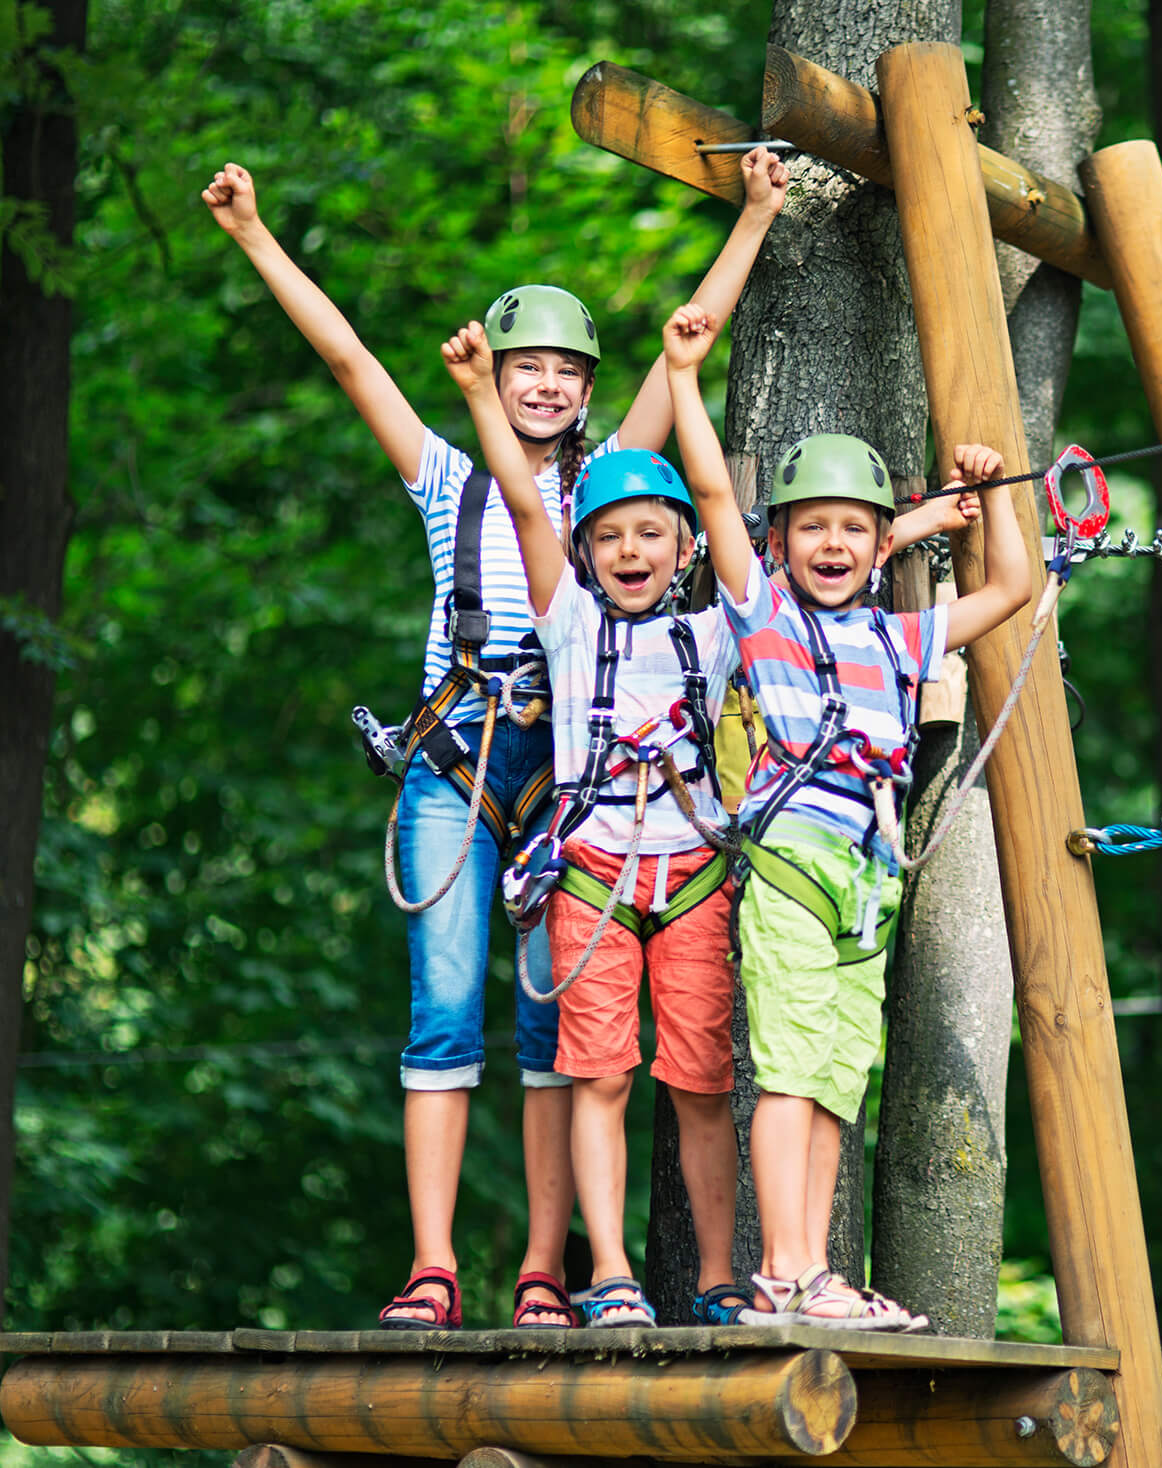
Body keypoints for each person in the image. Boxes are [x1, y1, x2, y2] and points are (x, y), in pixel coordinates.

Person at [200, 148, 788, 1329]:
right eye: (527, 367)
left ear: (584, 388)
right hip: (458, 765)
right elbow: (349, 359)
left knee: (552, 1035)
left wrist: (760, 216)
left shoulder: (620, 489)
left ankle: (541, 1266)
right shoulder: (449, 481)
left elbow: (692, 343)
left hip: (575, 780)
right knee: (442, 1007)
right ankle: (431, 1264)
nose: (545, 385)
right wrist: (255, 234)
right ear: (499, 374)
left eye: (566, 370)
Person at [677, 303, 1031, 1326]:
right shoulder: (762, 611)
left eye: (853, 529)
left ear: (882, 546)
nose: (832, 543)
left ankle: (814, 1272)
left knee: (836, 1079)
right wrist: (686, 372)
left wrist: (993, 491)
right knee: (788, 1067)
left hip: (867, 879)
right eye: (812, 527)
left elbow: (1009, 583)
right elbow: (709, 490)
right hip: (793, 861)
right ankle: (784, 1271)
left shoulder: (905, 638)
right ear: (778, 541)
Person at [444, 309, 753, 1328]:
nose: (631, 550)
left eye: (650, 535)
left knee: (703, 1082)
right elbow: (533, 515)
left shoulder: (715, 634)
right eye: (611, 536)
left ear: (683, 547)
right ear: (585, 552)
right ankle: (611, 1272)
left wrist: (686, 369)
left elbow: (732, 512)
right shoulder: (567, 618)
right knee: (600, 1075)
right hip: (590, 880)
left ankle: (714, 1275)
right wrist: (486, 395)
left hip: (693, 874)